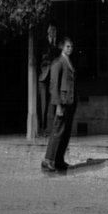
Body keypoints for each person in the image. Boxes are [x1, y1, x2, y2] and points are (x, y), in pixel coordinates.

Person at [41, 35, 76, 174]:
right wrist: (58, 106)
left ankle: (59, 160)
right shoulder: (58, 62)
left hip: (70, 101)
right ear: (62, 47)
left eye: (72, 47)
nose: (70, 49)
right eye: (68, 46)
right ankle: (48, 160)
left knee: (65, 132)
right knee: (57, 131)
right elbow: (54, 85)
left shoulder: (69, 62)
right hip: (62, 102)